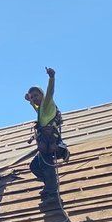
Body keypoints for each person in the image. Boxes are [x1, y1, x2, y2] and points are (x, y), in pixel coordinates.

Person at [25, 66, 69, 202]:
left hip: (51, 143)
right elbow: (37, 109)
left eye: (36, 96)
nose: (35, 99)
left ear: (42, 95)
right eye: (33, 97)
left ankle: (52, 192)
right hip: (45, 142)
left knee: (46, 165)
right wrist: (30, 101)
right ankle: (50, 184)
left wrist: (51, 78)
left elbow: (50, 92)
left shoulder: (47, 103)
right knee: (34, 166)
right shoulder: (41, 109)